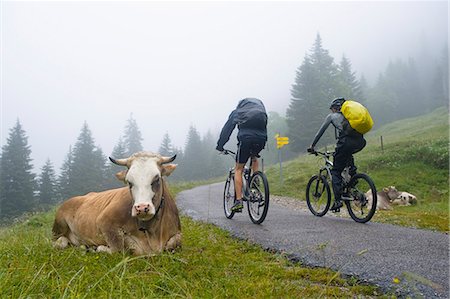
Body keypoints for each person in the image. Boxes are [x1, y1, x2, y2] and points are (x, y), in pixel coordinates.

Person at [307, 97, 366, 212]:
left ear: (334, 108)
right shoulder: (349, 117)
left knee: (335, 171)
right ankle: (352, 183)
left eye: (332, 109)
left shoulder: (332, 116)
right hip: (360, 142)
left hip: (345, 143)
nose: (331, 112)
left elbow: (320, 132)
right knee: (348, 160)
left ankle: (338, 200)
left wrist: (312, 146)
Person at [216, 98, 268, 212]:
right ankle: (256, 181)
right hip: (261, 139)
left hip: (246, 140)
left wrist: (220, 145)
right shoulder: (261, 112)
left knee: (238, 169)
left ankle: (238, 201)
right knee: (254, 157)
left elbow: (227, 130)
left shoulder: (238, 112)